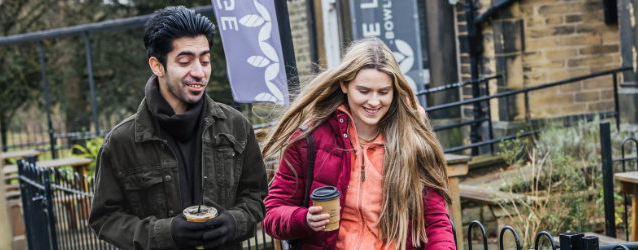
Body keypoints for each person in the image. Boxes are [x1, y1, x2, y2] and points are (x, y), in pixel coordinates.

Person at [89, 6, 267, 250]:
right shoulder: (121, 142)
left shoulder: (236, 126)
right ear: (157, 66)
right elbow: (105, 219)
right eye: (185, 62)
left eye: (205, 61)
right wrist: (166, 233)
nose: (199, 72)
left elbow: (257, 197)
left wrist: (234, 222)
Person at [261, 37, 455, 250]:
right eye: (363, 91)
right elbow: (272, 213)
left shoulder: (413, 139)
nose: (373, 102)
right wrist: (304, 219)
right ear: (344, 84)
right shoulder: (309, 139)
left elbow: (436, 221)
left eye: (383, 92)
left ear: (394, 90)